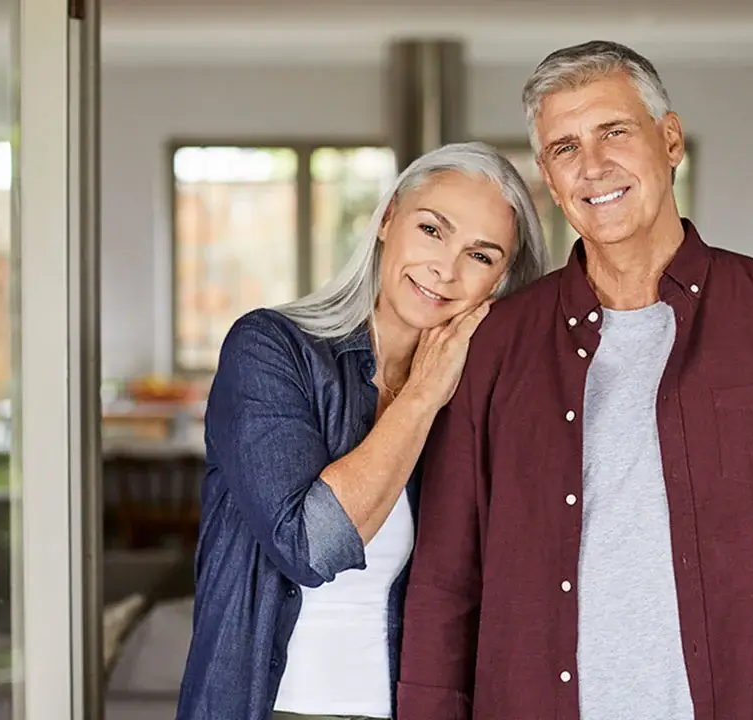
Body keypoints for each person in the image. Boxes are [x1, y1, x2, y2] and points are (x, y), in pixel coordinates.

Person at [397, 41, 753, 720]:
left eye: (614, 131)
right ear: (547, 173)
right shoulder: (495, 343)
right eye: (566, 147)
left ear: (669, 140)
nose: (593, 165)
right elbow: (444, 583)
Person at [175, 142, 548, 720]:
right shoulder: (271, 350)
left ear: (499, 284)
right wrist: (422, 394)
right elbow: (311, 546)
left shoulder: (478, 405)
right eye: (432, 229)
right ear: (389, 218)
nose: (444, 269)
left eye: (480, 256)